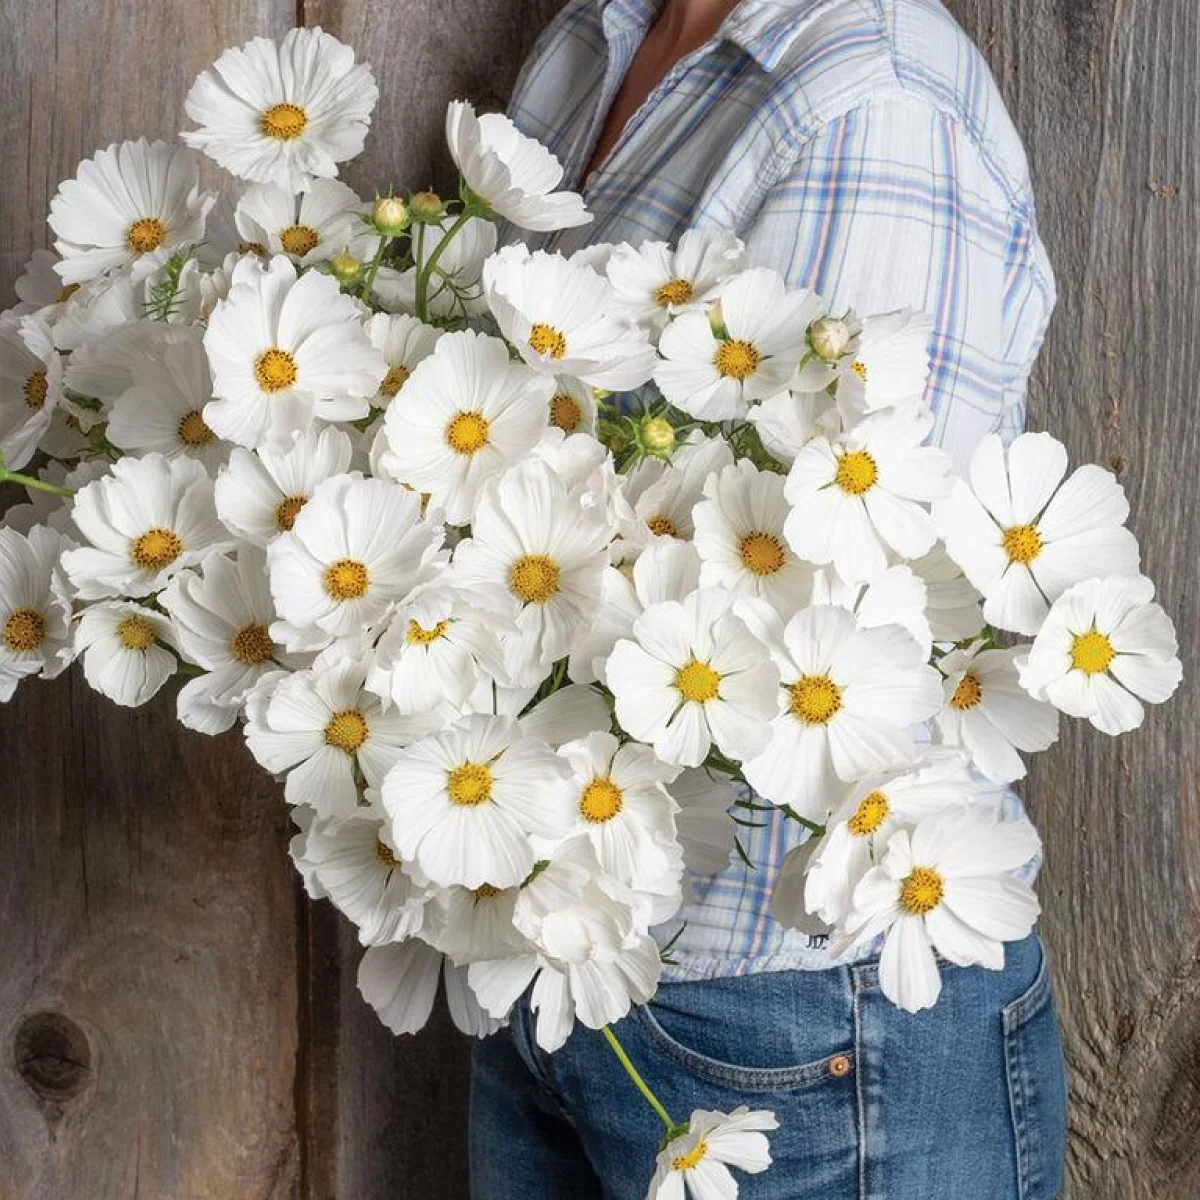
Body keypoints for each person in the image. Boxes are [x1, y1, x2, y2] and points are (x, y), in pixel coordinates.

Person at [470, 2, 1068, 1197]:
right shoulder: (594, 39)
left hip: (802, 1013)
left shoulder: (870, 103)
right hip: (549, 951)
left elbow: (839, 618)